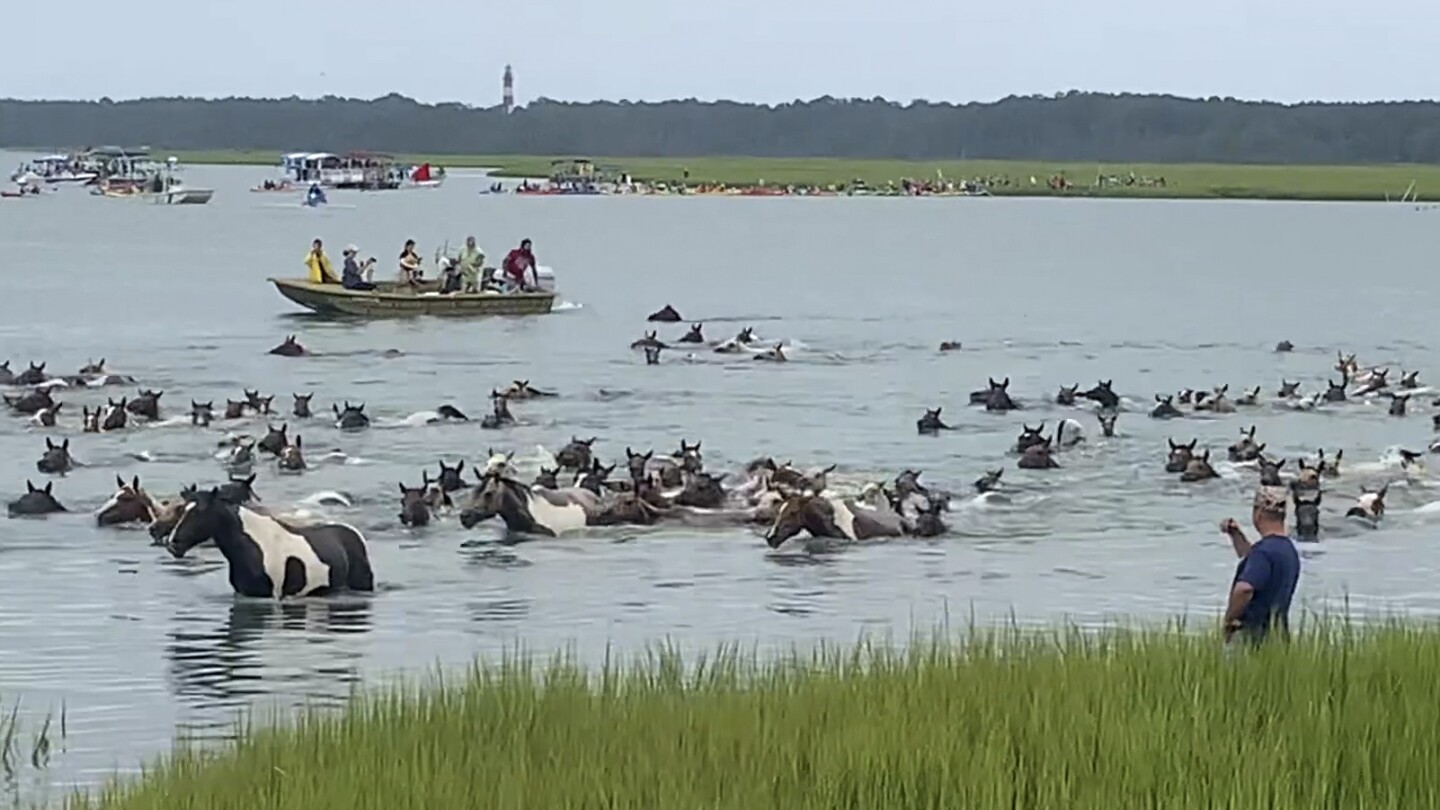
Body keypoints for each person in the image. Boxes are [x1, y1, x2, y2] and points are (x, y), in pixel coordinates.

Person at [1219, 486, 1301, 648]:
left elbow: (1245, 588)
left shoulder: (1263, 552)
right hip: (1277, 636)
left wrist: (1228, 620)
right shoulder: (1288, 550)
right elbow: (1252, 560)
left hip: (1252, 637)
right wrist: (1236, 535)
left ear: (1258, 513)